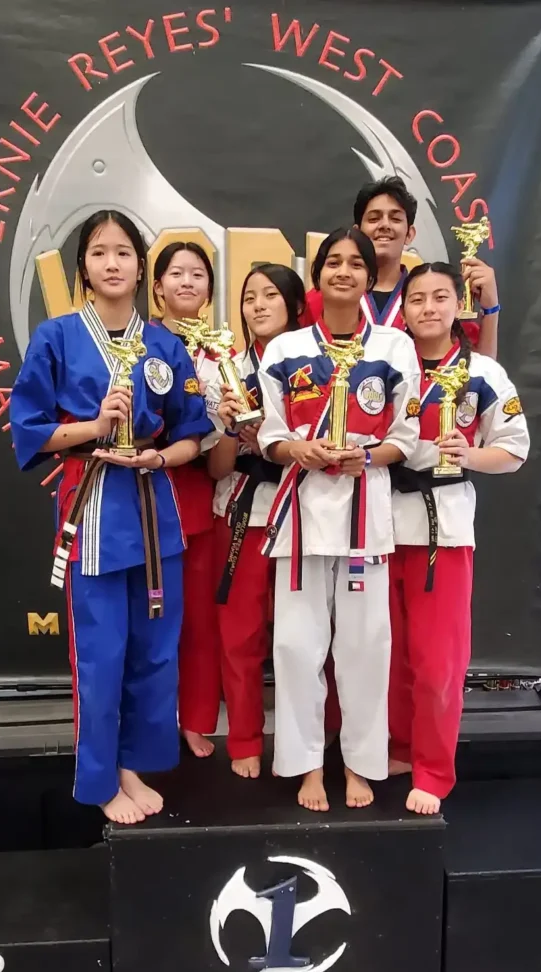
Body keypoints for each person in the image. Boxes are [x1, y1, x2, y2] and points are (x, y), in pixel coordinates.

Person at [10, 211, 212, 825]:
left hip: (156, 507)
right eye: (100, 253)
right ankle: (99, 780)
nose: (113, 263)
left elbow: (195, 432)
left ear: (139, 266)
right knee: (100, 655)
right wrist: (94, 428)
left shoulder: (165, 344)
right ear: (84, 270)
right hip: (94, 508)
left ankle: (133, 764)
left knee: (154, 652)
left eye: (124, 252)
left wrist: (160, 454)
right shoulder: (58, 337)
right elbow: (29, 429)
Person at [258, 228, 420, 812]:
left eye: (356, 262)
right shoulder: (286, 349)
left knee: (365, 646)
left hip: (365, 511)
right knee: (298, 647)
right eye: (334, 262)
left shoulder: (395, 348)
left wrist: (369, 455)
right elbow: (271, 433)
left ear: (367, 275)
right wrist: (294, 451)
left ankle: (358, 763)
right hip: (301, 511)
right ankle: (306, 767)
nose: (345, 271)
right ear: (317, 275)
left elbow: (408, 434)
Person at [388, 262, 529, 814]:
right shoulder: (383, 364)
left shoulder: (483, 372)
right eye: (416, 298)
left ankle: (434, 768)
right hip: (376, 523)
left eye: (439, 297)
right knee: (387, 655)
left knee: (438, 661)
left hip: (440, 528)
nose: (427, 308)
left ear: (458, 305)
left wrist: (468, 455)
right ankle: (398, 747)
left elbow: (514, 450)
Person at [207, 264, 306, 778]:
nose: (259, 305)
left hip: (307, 511)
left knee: (303, 639)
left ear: (294, 304)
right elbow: (218, 466)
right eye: (249, 297)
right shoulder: (227, 370)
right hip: (244, 508)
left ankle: (306, 744)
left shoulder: (316, 367)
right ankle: (245, 736)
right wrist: (229, 426)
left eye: (271, 295)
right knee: (240, 632)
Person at [151, 242, 223, 759]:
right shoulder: (137, 346)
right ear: (156, 287)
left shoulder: (225, 354)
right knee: (151, 622)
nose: (187, 282)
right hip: (142, 493)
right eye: (176, 273)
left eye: (198, 274)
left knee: (199, 620)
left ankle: (196, 719)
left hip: (200, 495)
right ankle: (152, 724)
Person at [302, 177, 500, 358]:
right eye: (374, 218)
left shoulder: (429, 299)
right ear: (357, 232)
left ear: (410, 234)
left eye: (395, 219)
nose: (385, 225)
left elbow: (480, 377)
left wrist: (491, 310)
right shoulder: (323, 299)